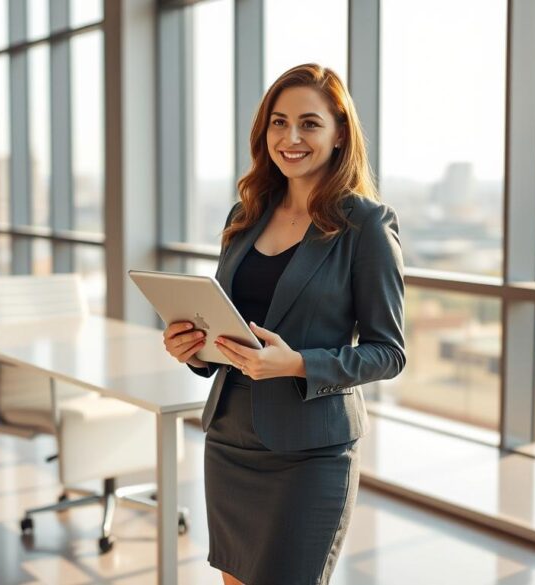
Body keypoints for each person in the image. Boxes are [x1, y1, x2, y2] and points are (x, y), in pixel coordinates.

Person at [161, 63, 405, 585]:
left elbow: (389, 352)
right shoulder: (245, 213)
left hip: (310, 453)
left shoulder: (365, 226)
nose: (291, 137)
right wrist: (194, 347)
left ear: (340, 133)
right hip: (230, 439)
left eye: (310, 124)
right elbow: (231, 322)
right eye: (278, 122)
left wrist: (296, 363)